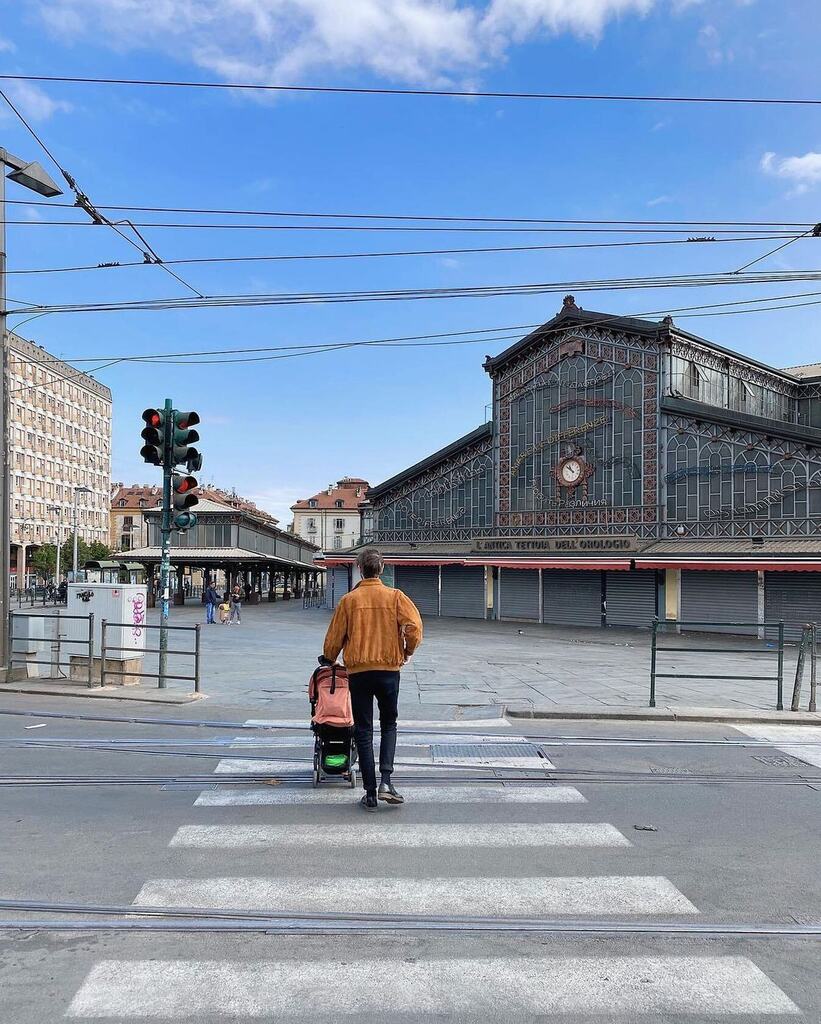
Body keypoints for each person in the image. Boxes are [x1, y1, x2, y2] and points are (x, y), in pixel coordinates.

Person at [322, 548, 423, 812]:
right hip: (389, 671)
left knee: (364, 730)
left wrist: (330, 657)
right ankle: (386, 782)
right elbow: (414, 627)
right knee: (389, 724)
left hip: (359, 672)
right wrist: (407, 651)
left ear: (359, 568)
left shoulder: (349, 600)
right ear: (381, 569)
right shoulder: (395, 597)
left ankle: (369, 792)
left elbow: (334, 637)